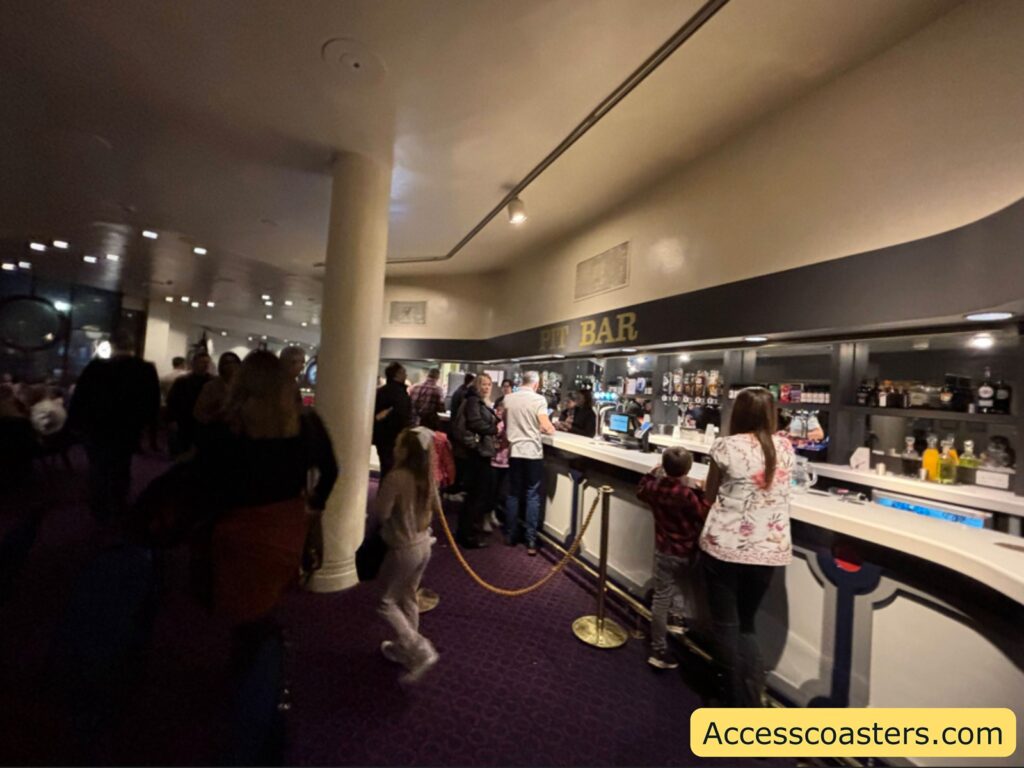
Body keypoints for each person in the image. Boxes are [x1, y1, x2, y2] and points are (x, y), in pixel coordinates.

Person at [699, 387, 794, 707]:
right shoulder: (785, 447)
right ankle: (752, 697)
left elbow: (710, 495)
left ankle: (732, 701)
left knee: (726, 625)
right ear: (771, 414)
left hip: (725, 546)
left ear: (737, 413)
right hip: (769, 549)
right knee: (747, 624)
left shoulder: (726, 446)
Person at [68, 330, 160, 523]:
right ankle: (118, 503)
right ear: (133, 347)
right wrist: (147, 426)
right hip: (126, 427)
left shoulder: (96, 367)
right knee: (120, 465)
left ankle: (99, 506)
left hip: (95, 426)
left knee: (98, 466)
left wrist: (76, 423)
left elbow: (80, 397)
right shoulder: (144, 369)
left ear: (113, 347)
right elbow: (151, 401)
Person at [375, 427, 441, 683]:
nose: (394, 448)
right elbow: (435, 506)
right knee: (408, 596)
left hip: (403, 547)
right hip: (424, 544)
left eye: (398, 444)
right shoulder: (426, 477)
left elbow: (381, 513)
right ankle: (405, 650)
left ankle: (418, 648)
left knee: (385, 601)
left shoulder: (397, 477)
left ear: (405, 450)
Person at [636, 446, 708, 670]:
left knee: (661, 596)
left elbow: (641, 490)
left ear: (663, 467)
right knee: (680, 584)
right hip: (687, 550)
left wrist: (651, 472)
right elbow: (702, 513)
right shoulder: (687, 494)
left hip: (664, 549)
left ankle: (659, 647)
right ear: (688, 469)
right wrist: (701, 490)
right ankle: (675, 619)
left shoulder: (655, 487)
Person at [502, 371, 555, 555]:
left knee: (513, 493)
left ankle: (510, 535)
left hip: (514, 450)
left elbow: (506, 422)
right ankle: (531, 540)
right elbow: (547, 426)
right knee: (532, 494)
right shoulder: (538, 400)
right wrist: (550, 427)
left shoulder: (509, 398)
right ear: (536, 384)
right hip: (532, 451)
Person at [455, 373, 497, 548]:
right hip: (477, 453)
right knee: (476, 496)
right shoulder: (474, 401)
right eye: (483, 384)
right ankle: (468, 535)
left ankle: (467, 532)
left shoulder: (475, 400)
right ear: (477, 385)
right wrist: (494, 429)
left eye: (489, 384)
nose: (487, 387)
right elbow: (474, 423)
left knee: (475, 495)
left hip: (478, 452)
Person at [166, 349, 214, 457]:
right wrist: (172, 420)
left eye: (207, 362)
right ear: (194, 363)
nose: (205, 365)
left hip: (203, 423)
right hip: (185, 421)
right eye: (202, 362)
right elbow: (173, 402)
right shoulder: (182, 382)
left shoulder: (213, 382)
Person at [373, 362, 413, 477]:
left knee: (386, 468)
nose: (406, 374)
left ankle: (384, 492)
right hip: (395, 437)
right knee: (393, 470)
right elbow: (402, 416)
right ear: (398, 374)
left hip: (382, 437)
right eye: (404, 372)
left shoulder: (381, 392)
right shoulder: (399, 394)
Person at [194, 352, 242, 429]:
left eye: (234, 362)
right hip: (216, 429)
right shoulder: (210, 386)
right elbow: (199, 413)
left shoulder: (244, 386)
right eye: (227, 363)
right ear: (221, 366)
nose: (231, 366)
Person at [420, 411, 455, 491]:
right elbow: (448, 461)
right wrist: (451, 478)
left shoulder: (417, 437)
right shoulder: (441, 439)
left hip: (419, 474)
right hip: (436, 476)